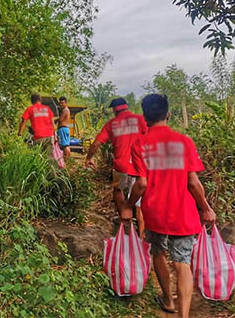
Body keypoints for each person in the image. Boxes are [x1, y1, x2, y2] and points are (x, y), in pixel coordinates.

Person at [123, 94, 216, 318]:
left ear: (144, 118)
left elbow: (141, 184)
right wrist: (205, 208)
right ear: (168, 114)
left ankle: (168, 300)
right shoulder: (184, 142)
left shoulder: (140, 144)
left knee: (158, 253)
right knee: (182, 262)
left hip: (154, 212)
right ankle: (183, 315)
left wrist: (127, 206)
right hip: (183, 213)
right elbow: (193, 183)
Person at [84, 97, 147, 236]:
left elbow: (96, 144)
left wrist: (88, 158)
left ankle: (125, 221)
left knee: (118, 190)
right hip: (140, 166)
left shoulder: (111, 124)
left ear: (114, 109)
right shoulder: (140, 119)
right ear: (126, 106)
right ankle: (141, 234)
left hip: (121, 166)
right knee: (140, 200)